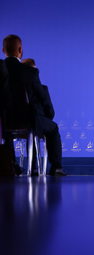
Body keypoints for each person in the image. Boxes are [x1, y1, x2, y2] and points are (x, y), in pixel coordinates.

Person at [2, 35, 66, 176]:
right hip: (28, 120)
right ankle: (56, 167)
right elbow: (43, 99)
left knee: (6, 129)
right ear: (20, 50)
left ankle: (11, 165)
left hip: (3, 121)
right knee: (53, 128)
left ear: (3, 50)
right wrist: (47, 116)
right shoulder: (30, 72)